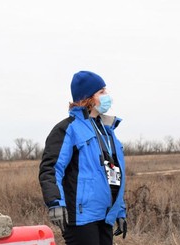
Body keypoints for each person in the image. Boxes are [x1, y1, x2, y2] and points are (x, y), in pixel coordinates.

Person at [39, 70, 127, 245]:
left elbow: (113, 174)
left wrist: (120, 211)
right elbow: (50, 169)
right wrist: (55, 202)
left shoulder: (108, 132)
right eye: (101, 92)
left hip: (104, 214)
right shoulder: (68, 129)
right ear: (87, 97)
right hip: (80, 217)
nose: (107, 96)